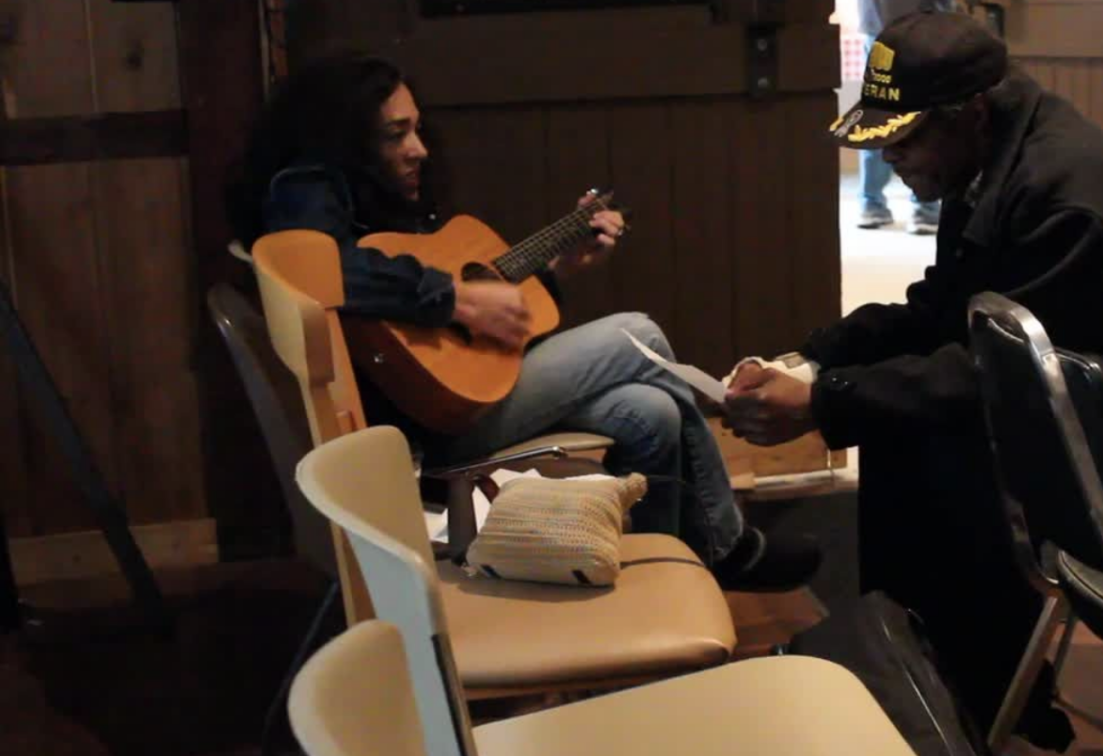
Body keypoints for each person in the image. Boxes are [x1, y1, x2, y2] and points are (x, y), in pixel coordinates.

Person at [724, 11, 1103, 748]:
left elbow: (1003, 379)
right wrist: (814, 362)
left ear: (969, 112)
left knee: (971, 454)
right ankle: (927, 674)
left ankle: (987, 701)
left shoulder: (1061, 192)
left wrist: (823, 403)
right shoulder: (983, 160)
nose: (891, 157)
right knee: (910, 429)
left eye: (906, 139)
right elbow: (948, 312)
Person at [227, 52, 819, 592]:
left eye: (416, 129)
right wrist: (454, 300)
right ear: (343, 139)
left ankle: (659, 578)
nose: (419, 149)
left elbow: (447, 330)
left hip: (448, 404)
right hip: (420, 430)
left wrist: (555, 271)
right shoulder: (304, 186)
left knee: (651, 411)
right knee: (637, 333)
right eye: (394, 134)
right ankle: (726, 547)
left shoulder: (375, 200)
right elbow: (320, 271)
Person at [839, 0, 953, 233]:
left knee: (878, 108)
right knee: (923, 112)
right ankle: (925, 207)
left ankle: (871, 203)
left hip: (874, 16)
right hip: (924, 18)